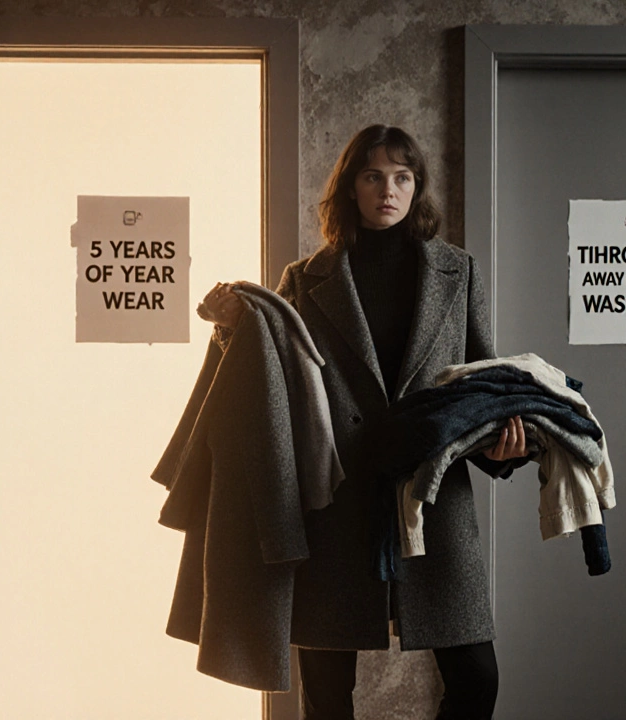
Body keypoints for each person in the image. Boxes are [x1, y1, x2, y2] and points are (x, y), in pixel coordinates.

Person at [201, 124, 526, 719]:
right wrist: (228, 328)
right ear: (351, 187)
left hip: (433, 496)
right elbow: (269, 372)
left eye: (402, 177)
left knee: (477, 679)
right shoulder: (305, 278)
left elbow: (479, 383)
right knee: (327, 695)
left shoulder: (458, 272)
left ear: (417, 186)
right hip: (338, 498)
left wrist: (500, 450)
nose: (388, 190)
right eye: (373, 176)